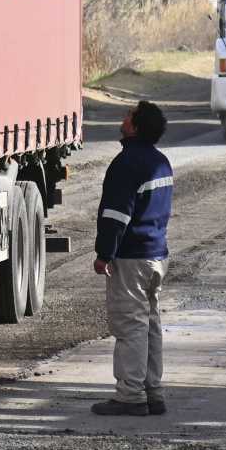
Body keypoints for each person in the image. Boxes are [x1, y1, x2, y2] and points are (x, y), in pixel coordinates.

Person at [91, 100, 173, 416]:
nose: (123, 119)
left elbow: (116, 216)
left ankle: (129, 395)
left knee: (130, 326)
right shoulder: (161, 162)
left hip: (131, 259)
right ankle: (153, 392)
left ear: (136, 127)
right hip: (156, 255)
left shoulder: (126, 164)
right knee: (150, 323)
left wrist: (104, 254)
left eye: (128, 116)